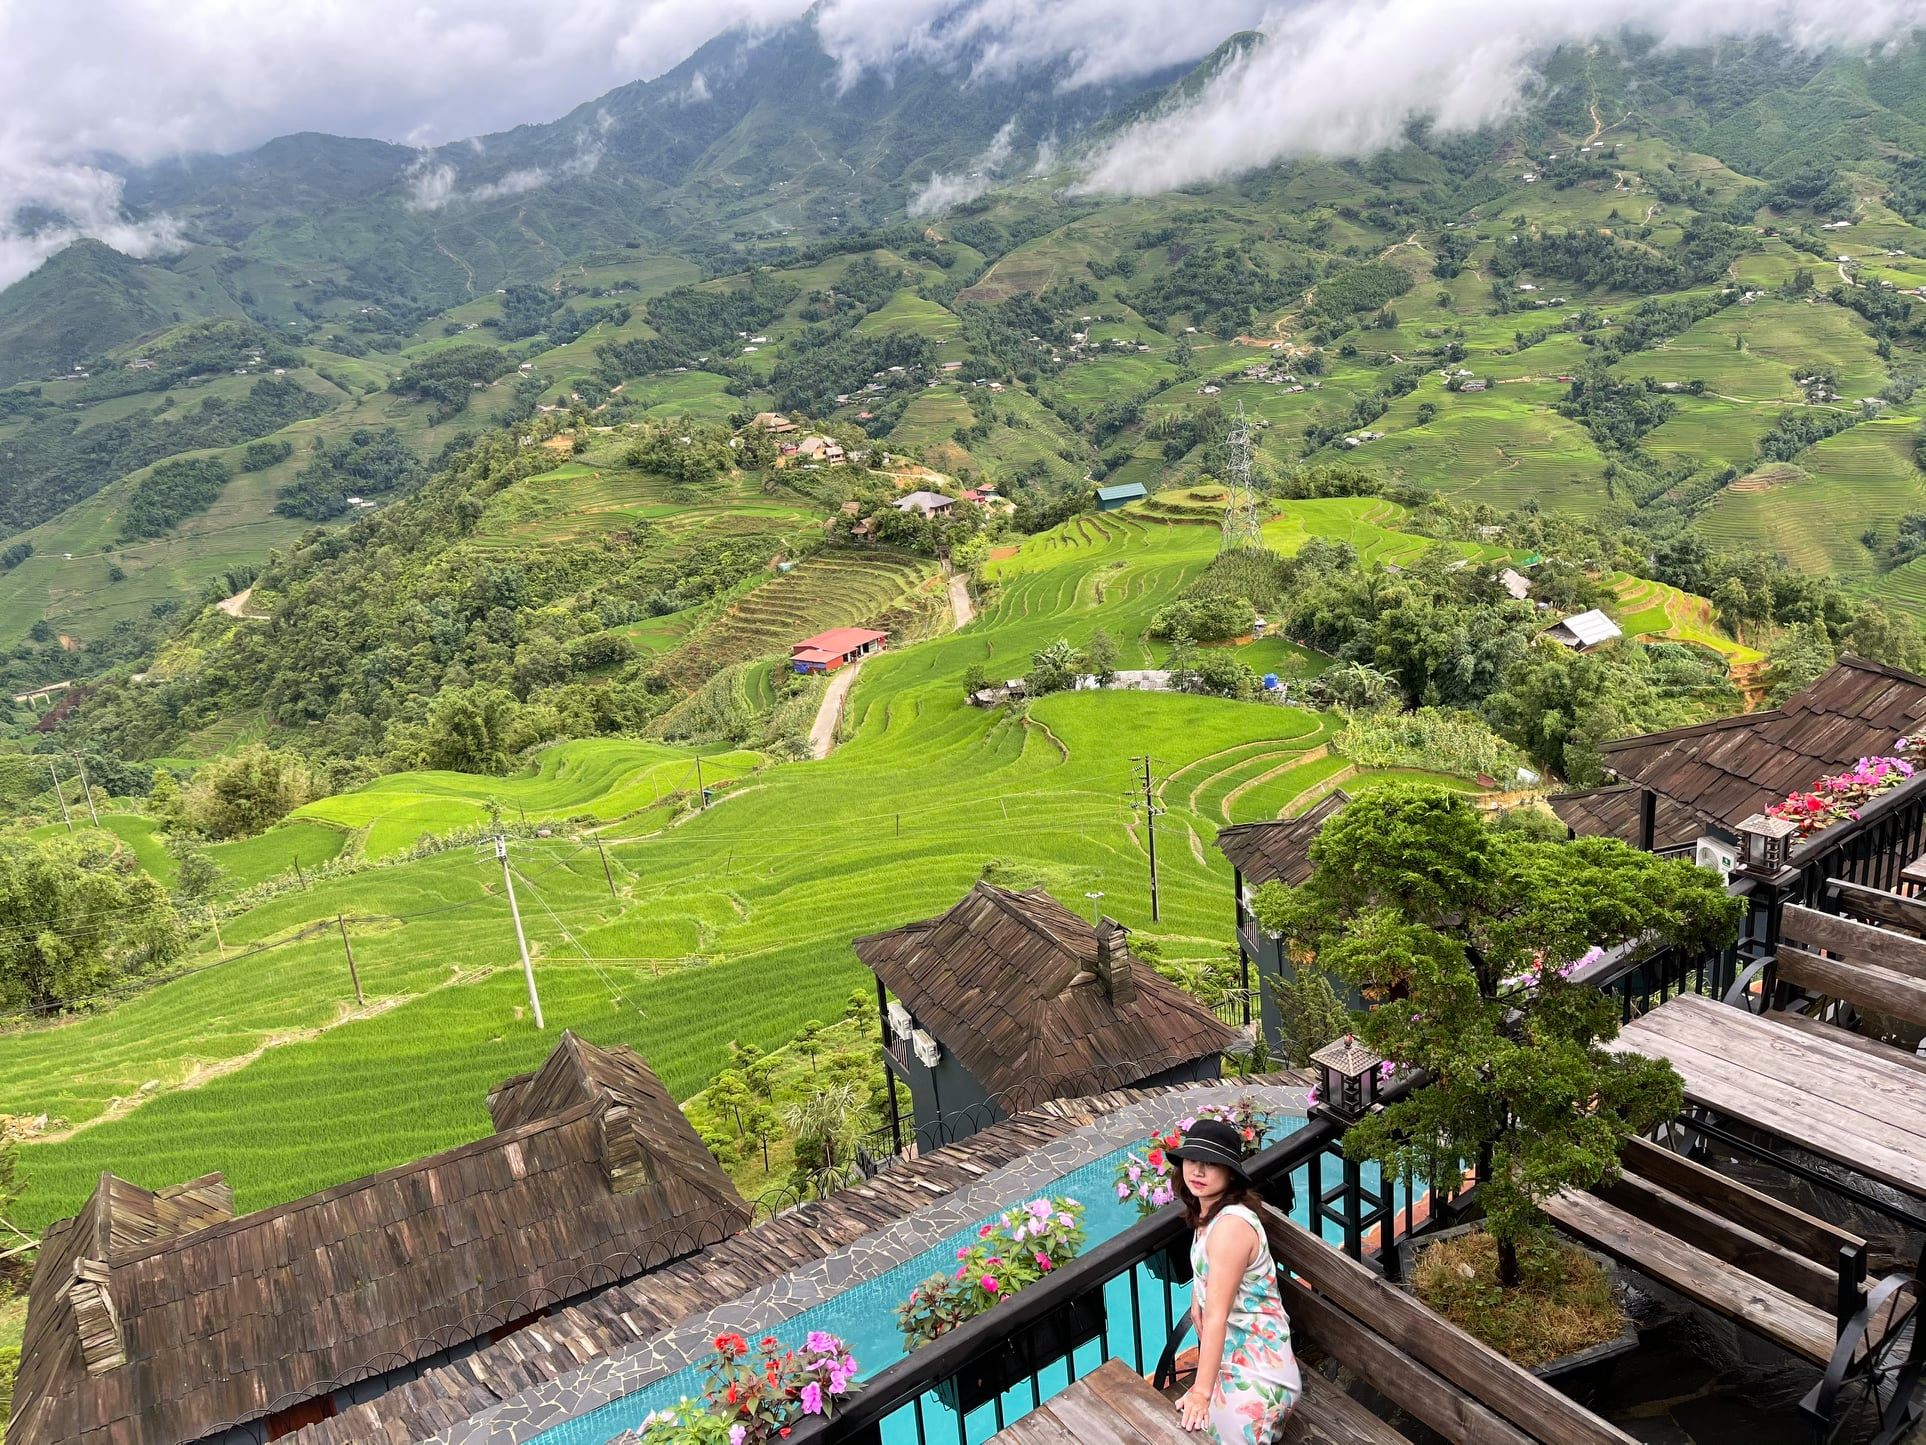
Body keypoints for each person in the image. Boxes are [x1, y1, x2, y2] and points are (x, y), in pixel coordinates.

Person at [1169, 1118, 1301, 1441]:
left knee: (1209, 1431)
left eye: (1211, 1163)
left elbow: (1217, 1317)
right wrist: (1196, 1297)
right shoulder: (1207, 1213)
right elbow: (1209, 1275)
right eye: (1192, 1159)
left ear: (1229, 1173)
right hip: (1233, 1356)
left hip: (1261, 1368)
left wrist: (1201, 1392)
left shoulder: (1231, 1226)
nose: (1198, 1171)